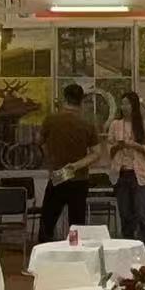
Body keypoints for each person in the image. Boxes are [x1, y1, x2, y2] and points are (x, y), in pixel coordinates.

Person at [37, 82, 98, 242]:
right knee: (76, 223)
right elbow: (96, 153)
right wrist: (76, 165)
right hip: (79, 176)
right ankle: (74, 248)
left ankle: (43, 250)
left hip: (58, 174)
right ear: (81, 100)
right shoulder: (87, 123)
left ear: (65, 98)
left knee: (48, 220)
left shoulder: (51, 120)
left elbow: (39, 141)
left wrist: (50, 157)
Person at [106, 90, 145, 253]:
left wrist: (135, 145)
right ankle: (127, 246)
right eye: (122, 103)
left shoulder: (143, 125)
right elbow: (109, 149)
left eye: (127, 103)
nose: (124, 106)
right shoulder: (115, 124)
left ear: (134, 105)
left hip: (138, 174)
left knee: (142, 212)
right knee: (125, 213)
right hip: (121, 173)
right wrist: (117, 146)